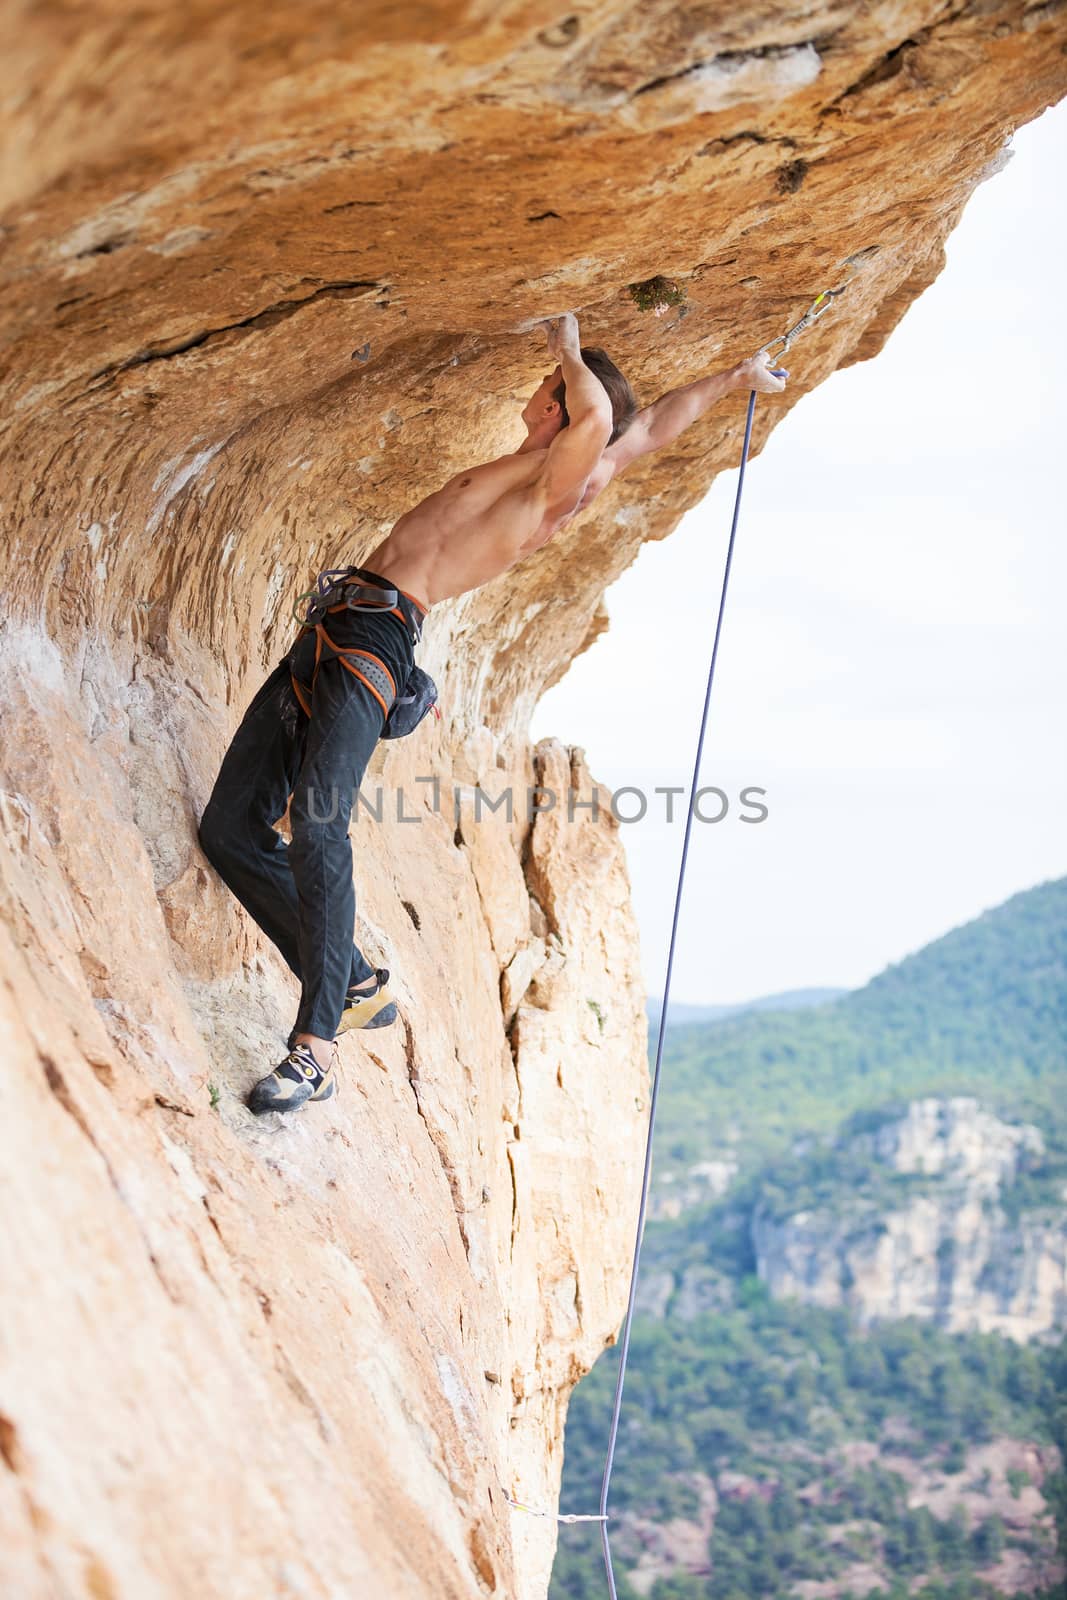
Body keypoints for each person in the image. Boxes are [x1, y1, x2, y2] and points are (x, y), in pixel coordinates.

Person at [198, 313, 786, 1114]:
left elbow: (611, 420)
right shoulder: (542, 463)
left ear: (558, 407)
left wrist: (568, 351)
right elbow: (648, 427)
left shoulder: (558, 478)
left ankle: (316, 1049)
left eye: (548, 392)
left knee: (320, 824)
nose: (540, 393)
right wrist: (734, 377)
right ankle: (353, 980)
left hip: (376, 639)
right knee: (230, 830)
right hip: (336, 626)